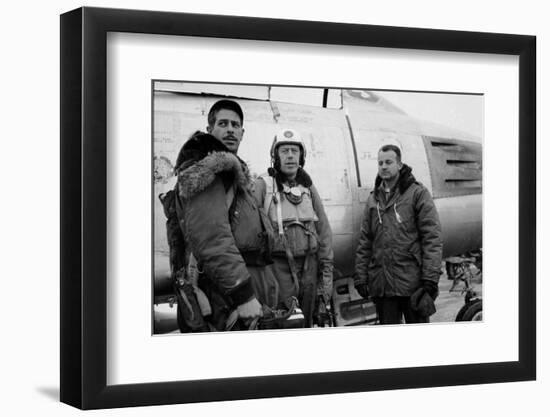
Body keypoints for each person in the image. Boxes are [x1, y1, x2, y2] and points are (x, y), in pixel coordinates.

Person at [163, 99, 279, 331]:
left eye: (235, 125)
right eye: (223, 124)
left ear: (242, 133)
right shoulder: (207, 170)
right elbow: (212, 238)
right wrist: (243, 295)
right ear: (210, 130)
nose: (230, 130)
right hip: (224, 299)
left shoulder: (232, 176)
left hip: (236, 292)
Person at [354, 144, 442, 324]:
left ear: (400, 165)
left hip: (412, 285)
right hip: (383, 287)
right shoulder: (373, 200)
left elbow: (432, 238)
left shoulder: (417, 194)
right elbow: (365, 241)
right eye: (380, 163)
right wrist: (361, 277)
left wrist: (430, 279)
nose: (384, 167)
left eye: (388, 162)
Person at [254, 128, 334, 327]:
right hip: (277, 270)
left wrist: (325, 279)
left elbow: (323, 231)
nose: (290, 155)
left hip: (309, 268)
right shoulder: (263, 185)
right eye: (284, 151)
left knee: (306, 324)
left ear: (301, 156)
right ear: (276, 156)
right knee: (282, 324)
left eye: (294, 151)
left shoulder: (308, 188)